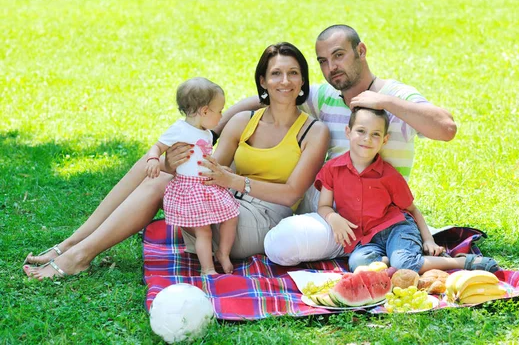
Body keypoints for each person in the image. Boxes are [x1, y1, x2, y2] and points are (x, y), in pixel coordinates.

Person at [23, 42, 329, 280]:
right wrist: (171, 163)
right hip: (224, 202)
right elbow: (207, 171)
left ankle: (77, 255)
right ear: (263, 80)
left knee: (160, 182)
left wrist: (234, 181)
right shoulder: (243, 122)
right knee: (158, 170)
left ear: (303, 80)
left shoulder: (314, 132)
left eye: (293, 73)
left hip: (263, 219)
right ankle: (73, 244)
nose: (284, 81)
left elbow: (292, 193)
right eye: (276, 73)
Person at [208, 24, 456, 266]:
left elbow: (446, 129)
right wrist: (213, 132)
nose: (331, 67)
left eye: (338, 55)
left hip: (369, 214)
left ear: (361, 51)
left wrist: (385, 102)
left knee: (281, 244)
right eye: (323, 61)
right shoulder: (326, 96)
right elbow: (271, 98)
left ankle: (382, 248)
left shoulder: (396, 95)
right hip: (324, 202)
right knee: (234, 152)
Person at [317, 107, 498, 273]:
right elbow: (323, 206)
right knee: (357, 264)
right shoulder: (332, 169)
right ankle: (395, 260)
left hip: (396, 228)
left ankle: (460, 262)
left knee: (405, 265)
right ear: (348, 132)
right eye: (361, 131)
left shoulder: (388, 174)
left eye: (375, 134)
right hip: (364, 240)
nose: (367, 139)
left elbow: (412, 209)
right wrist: (333, 218)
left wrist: (429, 240)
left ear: (385, 139)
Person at [146, 77, 239, 275]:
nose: (221, 116)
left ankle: (223, 252)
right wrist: (153, 159)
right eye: (219, 110)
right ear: (205, 111)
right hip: (191, 189)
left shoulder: (205, 132)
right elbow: (158, 146)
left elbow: (202, 158)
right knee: (203, 230)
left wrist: (221, 169)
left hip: (209, 184)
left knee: (231, 215)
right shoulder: (180, 129)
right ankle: (208, 268)